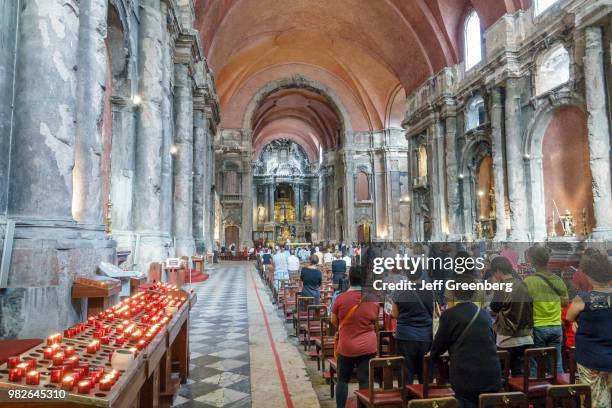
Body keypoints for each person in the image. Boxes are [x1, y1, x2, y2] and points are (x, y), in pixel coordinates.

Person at [430, 273, 502, 408]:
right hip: (491, 375)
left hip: (466, 376)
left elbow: (438, 347)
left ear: (454, 292)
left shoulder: (448, 316)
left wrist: (432, 356)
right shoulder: (484, 314)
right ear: (473, 292)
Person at [566, 252, 612, 408]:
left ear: (588, 276)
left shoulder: (583, 299)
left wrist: (577, 321)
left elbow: (569, 317)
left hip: (591, 357)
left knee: (595, 400)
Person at [331, 266, 379, 408]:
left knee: (342, 380)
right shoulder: (373, 299)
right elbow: (375, 319)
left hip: (347, 346)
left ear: (349, 279)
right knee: (365, 380)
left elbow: (333, 320)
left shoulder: (340, 298)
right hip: (368, 347)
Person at [524, 245, 568, 374]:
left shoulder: (528, 281)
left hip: (538, 327)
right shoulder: (557, 280)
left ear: (531, 260)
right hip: (555, 326)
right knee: (556, 365)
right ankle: (559, 391)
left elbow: (525, 305)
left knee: (535, 367)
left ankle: (537, 392)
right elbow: (565, 302)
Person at [489, 256, 534, 376]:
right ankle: (520, 394)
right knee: (519, 375)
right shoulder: (522, 284)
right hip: (526, 337)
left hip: (507, 338)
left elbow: (494, 307)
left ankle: (506, 395)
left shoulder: (502, 286)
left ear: (498, 271)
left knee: (502, 375)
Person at [392, 266, 434, 384]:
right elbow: (434, 312)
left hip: (405, 335)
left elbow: (395, 314)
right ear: (421, 273)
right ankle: (423, 400)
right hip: (425, 336)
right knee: (424, 372)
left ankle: (407, 400)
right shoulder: (429, 290)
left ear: (406, 273)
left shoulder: (400, 289)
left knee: (406, 372)